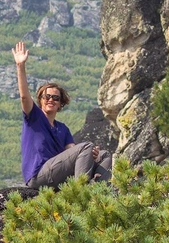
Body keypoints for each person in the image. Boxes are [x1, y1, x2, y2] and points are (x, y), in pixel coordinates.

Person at [12, 41, 112, 189]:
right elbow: (24, 97)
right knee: (86, 147)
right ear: (40, 100)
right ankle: (80, 193)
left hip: (57, 173)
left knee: (104, 155)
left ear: (60, 104)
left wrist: (92, 155)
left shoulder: (62, 129)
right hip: (38, 176)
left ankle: (97, 194)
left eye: (55, 98)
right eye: (47, 97)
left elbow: (72, 150)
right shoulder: (34, 117)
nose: (51, 100)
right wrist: (20, 65)